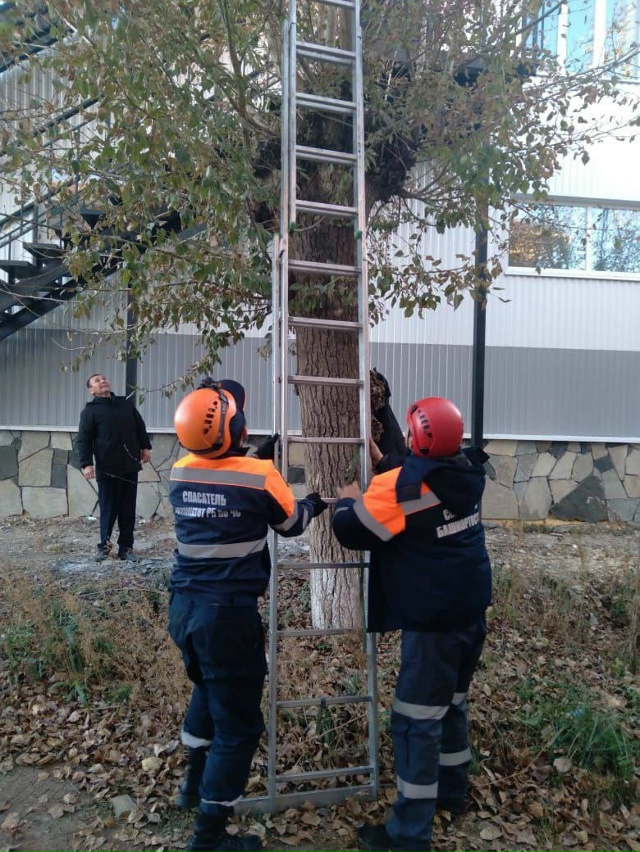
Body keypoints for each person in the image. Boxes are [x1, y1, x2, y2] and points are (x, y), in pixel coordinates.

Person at [167, 379, 327, 852]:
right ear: (233, 427)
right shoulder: (259, 476)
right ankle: (209, 837)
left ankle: (190, 788)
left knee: (205, 691)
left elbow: (220, 480)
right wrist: (313, 501)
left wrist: (252, 455)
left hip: (185, 609)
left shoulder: (179, 471)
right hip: (228, 619)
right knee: (239, 728)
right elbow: (292, 523)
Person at [332, 396, 492, 852]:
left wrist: (347, 500)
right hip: (470, 612)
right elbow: (424, 476)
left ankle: (408, 833)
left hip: (433, 625)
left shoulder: (401, 489)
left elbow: (353, 530)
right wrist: (388, 462)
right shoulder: (467, 470)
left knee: (416, 721)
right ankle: (452, 792)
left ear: (417, 438)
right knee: (452, 705)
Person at [76, 374, 152, 562]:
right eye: (96, 381)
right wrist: (86, 464)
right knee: (108, 509)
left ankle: (126, 548)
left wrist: (146, 447)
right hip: (107, 467)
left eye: (103, 378)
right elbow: (84, 440)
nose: (102, 381)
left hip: (129, 465)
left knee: (128, 509)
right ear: (91, 390)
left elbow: (139, 426)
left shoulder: (124, 404)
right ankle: (104, 547)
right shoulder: (90, 411)